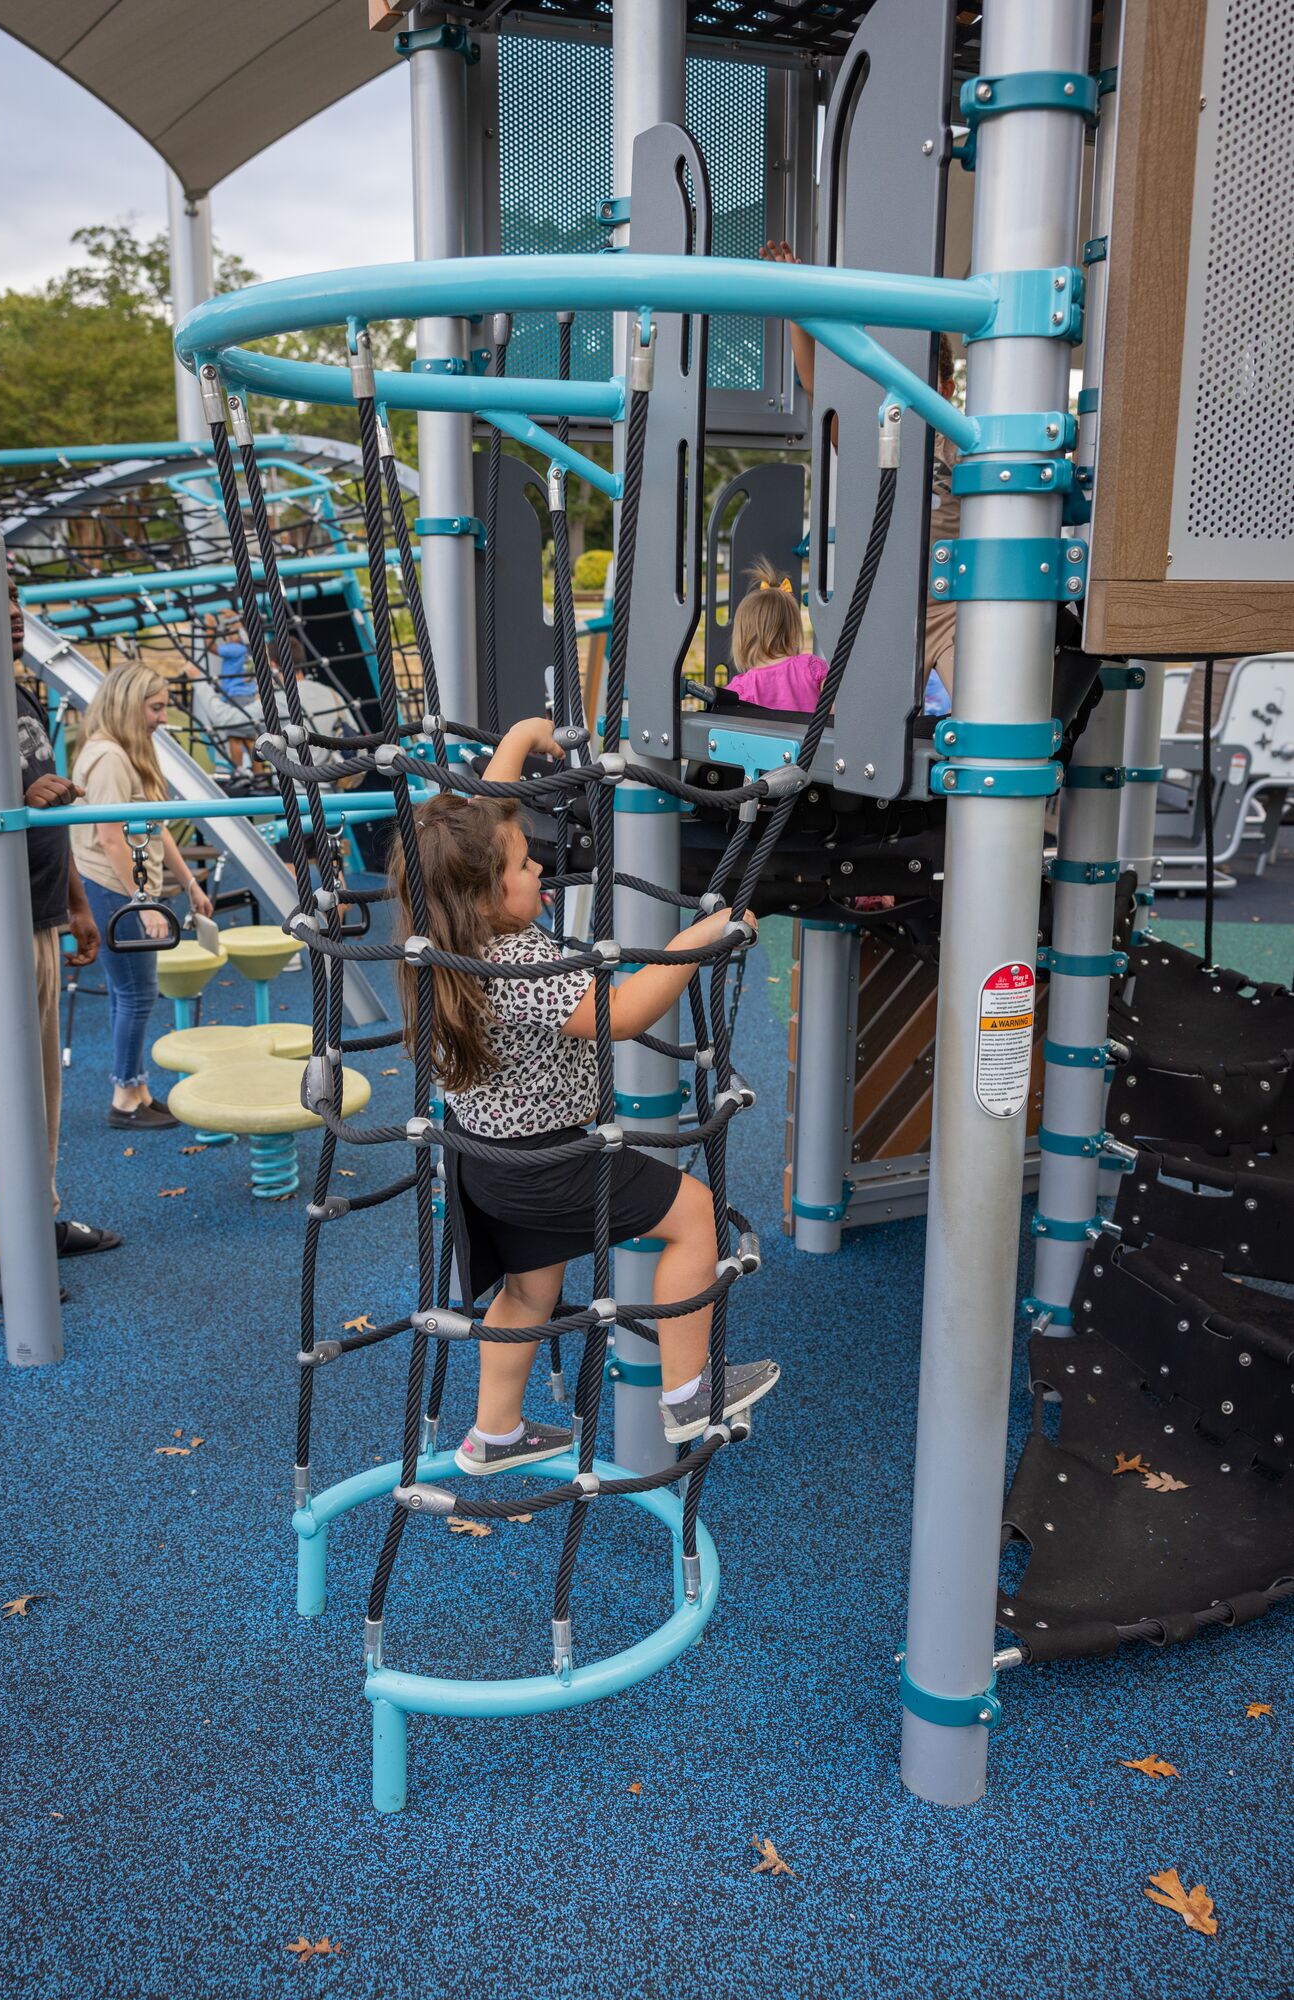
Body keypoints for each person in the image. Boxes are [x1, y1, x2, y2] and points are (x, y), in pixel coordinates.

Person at [390, 715, 780, 1474]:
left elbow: (481, 823)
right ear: (484, 895)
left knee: (527, 1295)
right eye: (524, 864)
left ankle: (495, 1434)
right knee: (696, 1218)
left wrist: (518, 740)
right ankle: (688, 1394)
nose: (539, 864)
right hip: (554, 1163)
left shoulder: (444, 946)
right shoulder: (516, 963)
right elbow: (622, 1015)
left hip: (485, 1162)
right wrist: (693, 941)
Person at [0, 575, 121, 1305]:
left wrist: (77, 903)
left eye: (16, 601)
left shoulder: (16, 694)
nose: (15, 615)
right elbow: (8, 811)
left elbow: (48, 809)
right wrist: (15, 806)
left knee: (40, 1085)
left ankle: (31, 1219)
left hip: (37, 914)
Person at [761, 239, 958, 710]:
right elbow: (818, 387)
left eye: (923, 385)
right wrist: (797, 308)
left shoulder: (962, 442)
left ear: (947, 389)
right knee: (853, 717)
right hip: (888, 608)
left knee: (989, 715)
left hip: (953, 611)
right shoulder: (879, 441)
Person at [70, 664, 213, 1131]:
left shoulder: (126, 751)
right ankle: (124, 1098)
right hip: (113, 888)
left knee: (126, 991)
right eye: (156, 708)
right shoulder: (109, 757)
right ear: (130, 705)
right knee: (137, 992)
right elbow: (110, 836)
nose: (163, 718)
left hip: (121, 888)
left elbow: (155, 826)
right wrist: (143, 900)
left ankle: (137, 1090)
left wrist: (188, 883)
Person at [726, 557, 826, 711]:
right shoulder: (812, 667)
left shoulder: (740, 689)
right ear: (792, 630)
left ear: (743, 637)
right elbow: (837, 712)